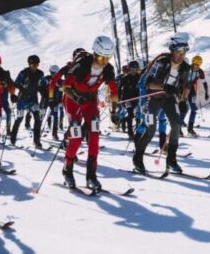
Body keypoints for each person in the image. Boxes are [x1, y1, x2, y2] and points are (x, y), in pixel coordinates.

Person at [60, 36, 119, 192]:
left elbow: (113, 91)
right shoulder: (81, 64)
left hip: (91, 102)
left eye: (107, 58)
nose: (103, 61)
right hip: (73, 101)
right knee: (76, 137)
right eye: (100, 57)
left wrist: (114, 111)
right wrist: (76, 97)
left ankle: (91, 176)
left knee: (94, 136)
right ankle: (68, 169)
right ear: (94, 53)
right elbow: (65, 87)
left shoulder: (108, 68)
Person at [132, 36, 191, 175]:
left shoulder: (185, 67)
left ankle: (171, 161)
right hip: (152, 98)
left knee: (176, 124)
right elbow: (148, 83)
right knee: (151, 130)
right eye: (178, 51)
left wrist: (183, 100)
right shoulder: (161, 63)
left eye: (184, 52)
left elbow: (187, 85)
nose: (181, 55)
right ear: (172, 51)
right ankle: (138, 158)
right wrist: (164, 87)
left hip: (169, 98)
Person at [9, 55, 45, 149]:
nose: (36, 66)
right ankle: (13, 139)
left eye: (37, 64)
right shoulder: (23, 73)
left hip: (33, 99)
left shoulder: (40, 73)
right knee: (19, 119)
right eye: (34, 64)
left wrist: (44, 93)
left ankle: (37, 141)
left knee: (37, 119)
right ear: (29, 64)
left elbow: (43, 84)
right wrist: (21, 88)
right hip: (22, 99)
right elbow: (16, 83)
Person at [180, 55, 209, 137]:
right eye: (195, 64)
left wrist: (206, 92)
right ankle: (178, 128)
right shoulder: (187, 69)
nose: (196, 66)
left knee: (194, 108)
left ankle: (190, 128)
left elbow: (204, 82)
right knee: (183, 108)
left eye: (198, 65)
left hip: (191, 89)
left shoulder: (200, 71)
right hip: (183, 88)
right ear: (192, 63)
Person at [118, 60, 141, 138]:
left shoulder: (140, 77)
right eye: (131, 69)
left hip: (138, 99)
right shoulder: (125, 78)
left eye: (135, 69)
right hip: (127, 99)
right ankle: (130, 132)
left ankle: (139, 132)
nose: (133, 71)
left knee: (139, 115)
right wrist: (119, 98)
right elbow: (119, 89)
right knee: (130, 114)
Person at [44, 64, 63, 140]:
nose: (54, 75)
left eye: (55, 73)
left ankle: (54, 133)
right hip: (46, 100)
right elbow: (40, 87)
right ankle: (38, 132)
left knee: (55, 116)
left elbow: (63, 90)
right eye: (52, 73)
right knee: (41, 115)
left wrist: (60, 100)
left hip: (55, 101)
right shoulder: (46, 78)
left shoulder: (61, 81)